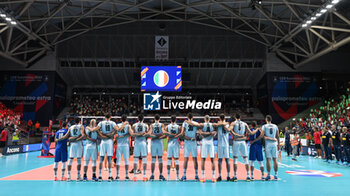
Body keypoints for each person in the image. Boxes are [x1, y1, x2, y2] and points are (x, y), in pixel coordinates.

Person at [89, 113, 127, 181]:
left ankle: (100, 176)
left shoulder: (101, 123)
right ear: (110, 117)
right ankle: (109, 176)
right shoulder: (112, 123)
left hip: (103, 141)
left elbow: (96, 130)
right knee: (109, 159)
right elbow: (118, 130)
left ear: (104, 117)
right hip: (109, 141)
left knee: (101, 159)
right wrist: (123, 124)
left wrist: (101, 134)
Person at [228, 114, 257, 182]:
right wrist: (257, 129)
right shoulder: (245, 124)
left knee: (235, 159)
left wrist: (234, 134)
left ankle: (235, 176)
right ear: (240, 117)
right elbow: (251, 133)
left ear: (235, 117)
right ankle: (248, 176)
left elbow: (229, 130)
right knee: (245, 159)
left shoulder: (233, 123)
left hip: (236, 141)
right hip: (243, 142)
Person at [188, 115, 216, 183]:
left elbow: (194, 125)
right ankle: (213, 177)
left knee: (203, 159)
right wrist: (210, 133)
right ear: (209, 119)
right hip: (211, 142)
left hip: (204, 142)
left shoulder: (202, 125)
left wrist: (203, 133)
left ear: (204, 119)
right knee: (212, 160)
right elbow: (214, 133)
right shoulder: (213, 125)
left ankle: (203, 177)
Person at [180, 113, 199, 181]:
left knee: (186, 159)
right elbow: (198, 133)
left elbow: (182, 134)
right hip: (193, 142)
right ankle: (196, 176)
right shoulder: (196, 123)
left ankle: (184, 175)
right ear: (192, 117)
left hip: (187, 142)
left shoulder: (184, 123)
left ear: (187, 117)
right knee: (195, 159)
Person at [164, 115, 182, 181]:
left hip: (170, 143)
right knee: (176, 160)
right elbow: (181, 134)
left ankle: (168, 177)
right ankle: (177, 177)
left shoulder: (167, 126)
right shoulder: (178, 127)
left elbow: (164, 133)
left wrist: (169, 134)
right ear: (176, 120)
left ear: (170, 120)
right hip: (176, 143)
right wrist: (176, 136)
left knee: (169, 160)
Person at [148, 114, 166, 181]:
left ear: (154, 119)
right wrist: (159, 137)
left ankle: (152, 175)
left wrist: (154, 136)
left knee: (153, 159)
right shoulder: (161, 125)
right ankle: (161, 175)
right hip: (159, 142)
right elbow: (164, 134)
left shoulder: (151, 125)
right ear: (159, 119)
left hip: (153, 142)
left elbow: (149, 134)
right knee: (160, 159)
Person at [131, 114, 149, 181]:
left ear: (137, 119)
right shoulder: (146, 125)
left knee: (135, 159)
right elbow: (147, 133)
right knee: (144, 159)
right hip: (143, 143)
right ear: (143, 119)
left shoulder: (134, 125)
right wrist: (142, 134)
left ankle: (135, 176)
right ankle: (144, 176)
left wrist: (137, 134)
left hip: (137, 143)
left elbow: (132, 134)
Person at [262, 115, 279, 181]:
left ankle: (268, 175)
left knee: (268, 159)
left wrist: (265, 137)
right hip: (274, 143)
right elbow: (277, 136)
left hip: (268, 144)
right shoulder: (275, 126)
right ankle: (276, 175)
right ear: (271, 119)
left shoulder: (264, 126)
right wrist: (279, 145)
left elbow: (262, 135)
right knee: (275, 159)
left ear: (266, 119)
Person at [115, 114, 133, 180]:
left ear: (120, 119)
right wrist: (126, 134)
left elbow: (117, 133)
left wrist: (122, 136)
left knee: (118, 161)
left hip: (120, 145)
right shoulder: (127, 125)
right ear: (126, 119)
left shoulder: (118, 125)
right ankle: (126, 175)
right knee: (126, 161)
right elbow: (131, 134)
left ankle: (117, 175)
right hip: (125, 145)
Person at [214, 114, 230, 182]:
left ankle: (220, 176)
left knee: (220, 161)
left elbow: (216, 124)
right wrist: (224, 123)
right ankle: (228, 176)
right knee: (227, 160)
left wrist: (222, 123)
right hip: (226, 145)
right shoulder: (227, 124)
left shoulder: (221, 124)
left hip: (221, 145)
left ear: (219, 118)